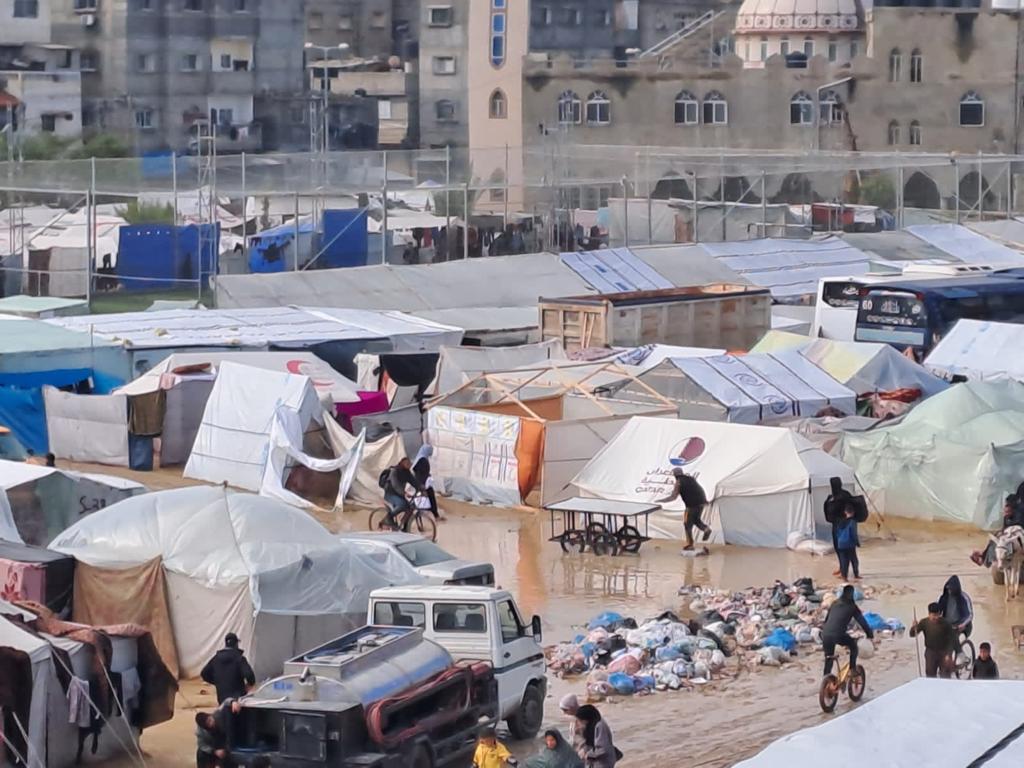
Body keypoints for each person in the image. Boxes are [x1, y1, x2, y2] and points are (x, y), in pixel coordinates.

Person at [820, 584, 874, 677]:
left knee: (829, 657)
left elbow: (827, 620)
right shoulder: (852, 606)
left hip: (825, 634)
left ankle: (826, 679)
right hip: (838, 634)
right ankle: (852, 669)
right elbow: (862, 622)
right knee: (853, 646)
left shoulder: (835, 603)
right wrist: (869, 634)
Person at [656, 468, 710, 552]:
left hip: (691, 506)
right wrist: (704, 500)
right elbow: (700, 489)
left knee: (687, 524)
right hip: (701, 503)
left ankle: (690, 544)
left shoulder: (678, 482)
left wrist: (661, 501)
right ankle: (706, 529)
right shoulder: (691, 478)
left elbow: (673, 497)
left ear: (674, 474)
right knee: (696, 520)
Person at [200, 633, 255, 704]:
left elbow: (204, 673)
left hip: (222, 699)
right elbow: (249, 675)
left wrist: (217, 682)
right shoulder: (239, 658)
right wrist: (249, 684)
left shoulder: (216, 658)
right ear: (236, 644)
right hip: (238, 700)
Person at [909, 602, 957, 678]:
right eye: (933, 615)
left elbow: (952, 639)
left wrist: (949, 654)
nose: (936, 617)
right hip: (930, 652)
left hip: (944, 652)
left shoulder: (945, 623)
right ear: (929, 614)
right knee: (930, 675)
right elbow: (912, 634)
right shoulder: (924, 622)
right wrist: (913, 627)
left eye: (937, 615)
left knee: (945, 676)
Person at [195, 699, 241, 768]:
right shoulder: (200, 733)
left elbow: (226, 702)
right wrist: (214, 751)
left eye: (210, 720)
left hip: (225, 742)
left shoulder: (217, 714)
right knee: (201, 753)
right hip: (213, 747)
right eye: (208, 723)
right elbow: (202, 745)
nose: (211, 723)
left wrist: (233, 702)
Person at [824, 477, 853, 577]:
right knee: (837, 548)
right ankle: (841, 568)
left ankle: (845, 572)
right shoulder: (831, 497)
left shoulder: (845, 495)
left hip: (845, 526)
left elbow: (851, 509)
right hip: (835, 526)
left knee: (844, 549)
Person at [383, 457, 424, 529]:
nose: (409, 465)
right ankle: (388, 518)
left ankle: (405, 527)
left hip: (399, 493)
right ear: (402, 463)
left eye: (410, 463)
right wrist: (404, 493)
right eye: (407, 463)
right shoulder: (394, 471)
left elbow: (414, 482)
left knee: (411, 507)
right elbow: (396, 485)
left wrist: (421, 489)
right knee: (402, 504)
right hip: (390, 493)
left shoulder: (407, 472)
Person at [412, 444, 444, 521]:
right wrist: (423, 485)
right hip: (423, 484)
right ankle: (435, 516)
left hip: (420, 483)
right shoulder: (423, 460)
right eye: (430, 451)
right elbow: (421, 473)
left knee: (421, 499)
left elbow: (419, 472)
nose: (431, 453)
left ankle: (433, 515)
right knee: (430, 497)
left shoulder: (420, 458)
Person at [937, 575, 973, 639]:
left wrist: (963, 624)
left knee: (959, 640)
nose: (949, 591)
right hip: (947, 625)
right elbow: (937, 611)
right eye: (948, 589)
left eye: (950, 589)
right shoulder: (944, 597)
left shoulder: (964, 598)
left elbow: (970, 615)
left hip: (961, 626)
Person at [835, 505, 862, 581]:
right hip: (850, 543)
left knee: (844, 561)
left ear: (845, 512)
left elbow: (837, 533)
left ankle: (844, 577)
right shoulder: (853, 522)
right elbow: (853, 533)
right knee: (854, 560)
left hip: (841, 543)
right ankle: (856, 575)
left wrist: (839, 541)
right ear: (853, 512)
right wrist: (857, 542)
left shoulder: (840, 522)